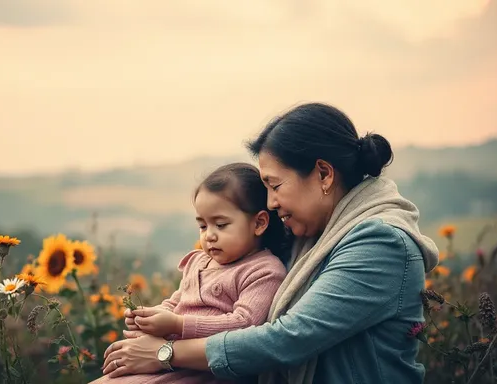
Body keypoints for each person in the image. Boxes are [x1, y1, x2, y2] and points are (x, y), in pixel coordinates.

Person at [101, 102, 440, 384]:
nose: (270, 201)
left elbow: (289, 337)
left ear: (323, 174)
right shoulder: (310, 235)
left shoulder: (380, 244)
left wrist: (165, 354)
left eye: (275, 185)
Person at [91, 162, 288, 383]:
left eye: (221, 225)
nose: (209, 236)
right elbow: (177, 302)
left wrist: (177, 325)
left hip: (200, 370)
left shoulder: (264, 271)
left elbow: (244, 326)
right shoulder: (199, 262)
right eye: (203, 226)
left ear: (259, 223)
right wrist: (150, 316)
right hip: (163, 362)